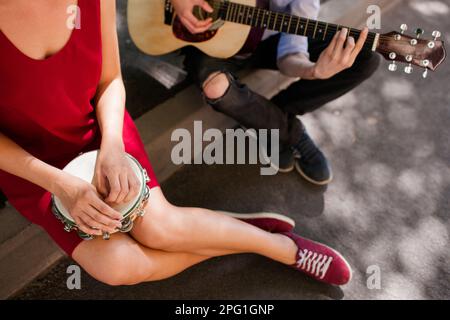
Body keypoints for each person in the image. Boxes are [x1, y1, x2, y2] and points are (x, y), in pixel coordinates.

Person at [0, 0, 351, 286]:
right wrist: (60, 184)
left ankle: (280, 248)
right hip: (31, 165)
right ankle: (233, 234)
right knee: (118, 267)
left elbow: (110, 81)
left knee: (159, 229)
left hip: (103, 131)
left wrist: (112, 148)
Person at [173, 0, 380, 185]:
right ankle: (289, 132)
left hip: (261, 42)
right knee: (216, 88)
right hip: (205, 42)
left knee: (365, 59)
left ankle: (271, 117)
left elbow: (290, 53)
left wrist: (313, 71)